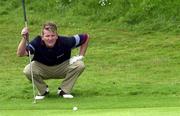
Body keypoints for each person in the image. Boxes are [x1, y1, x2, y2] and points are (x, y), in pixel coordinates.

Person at [17, 22, 90, 100]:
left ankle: (64, 90)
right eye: (47, 36)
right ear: (42, 37)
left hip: (61, 67)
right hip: (42, 67)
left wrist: (80, 56)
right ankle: (43, 91)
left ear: (57, 36)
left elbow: (85, 37)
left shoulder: (65, 41)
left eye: (53, 35)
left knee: (80, 65)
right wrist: (24, 38)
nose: (50, 38)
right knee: (27, 70)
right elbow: (20, 54)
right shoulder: (37, 42)